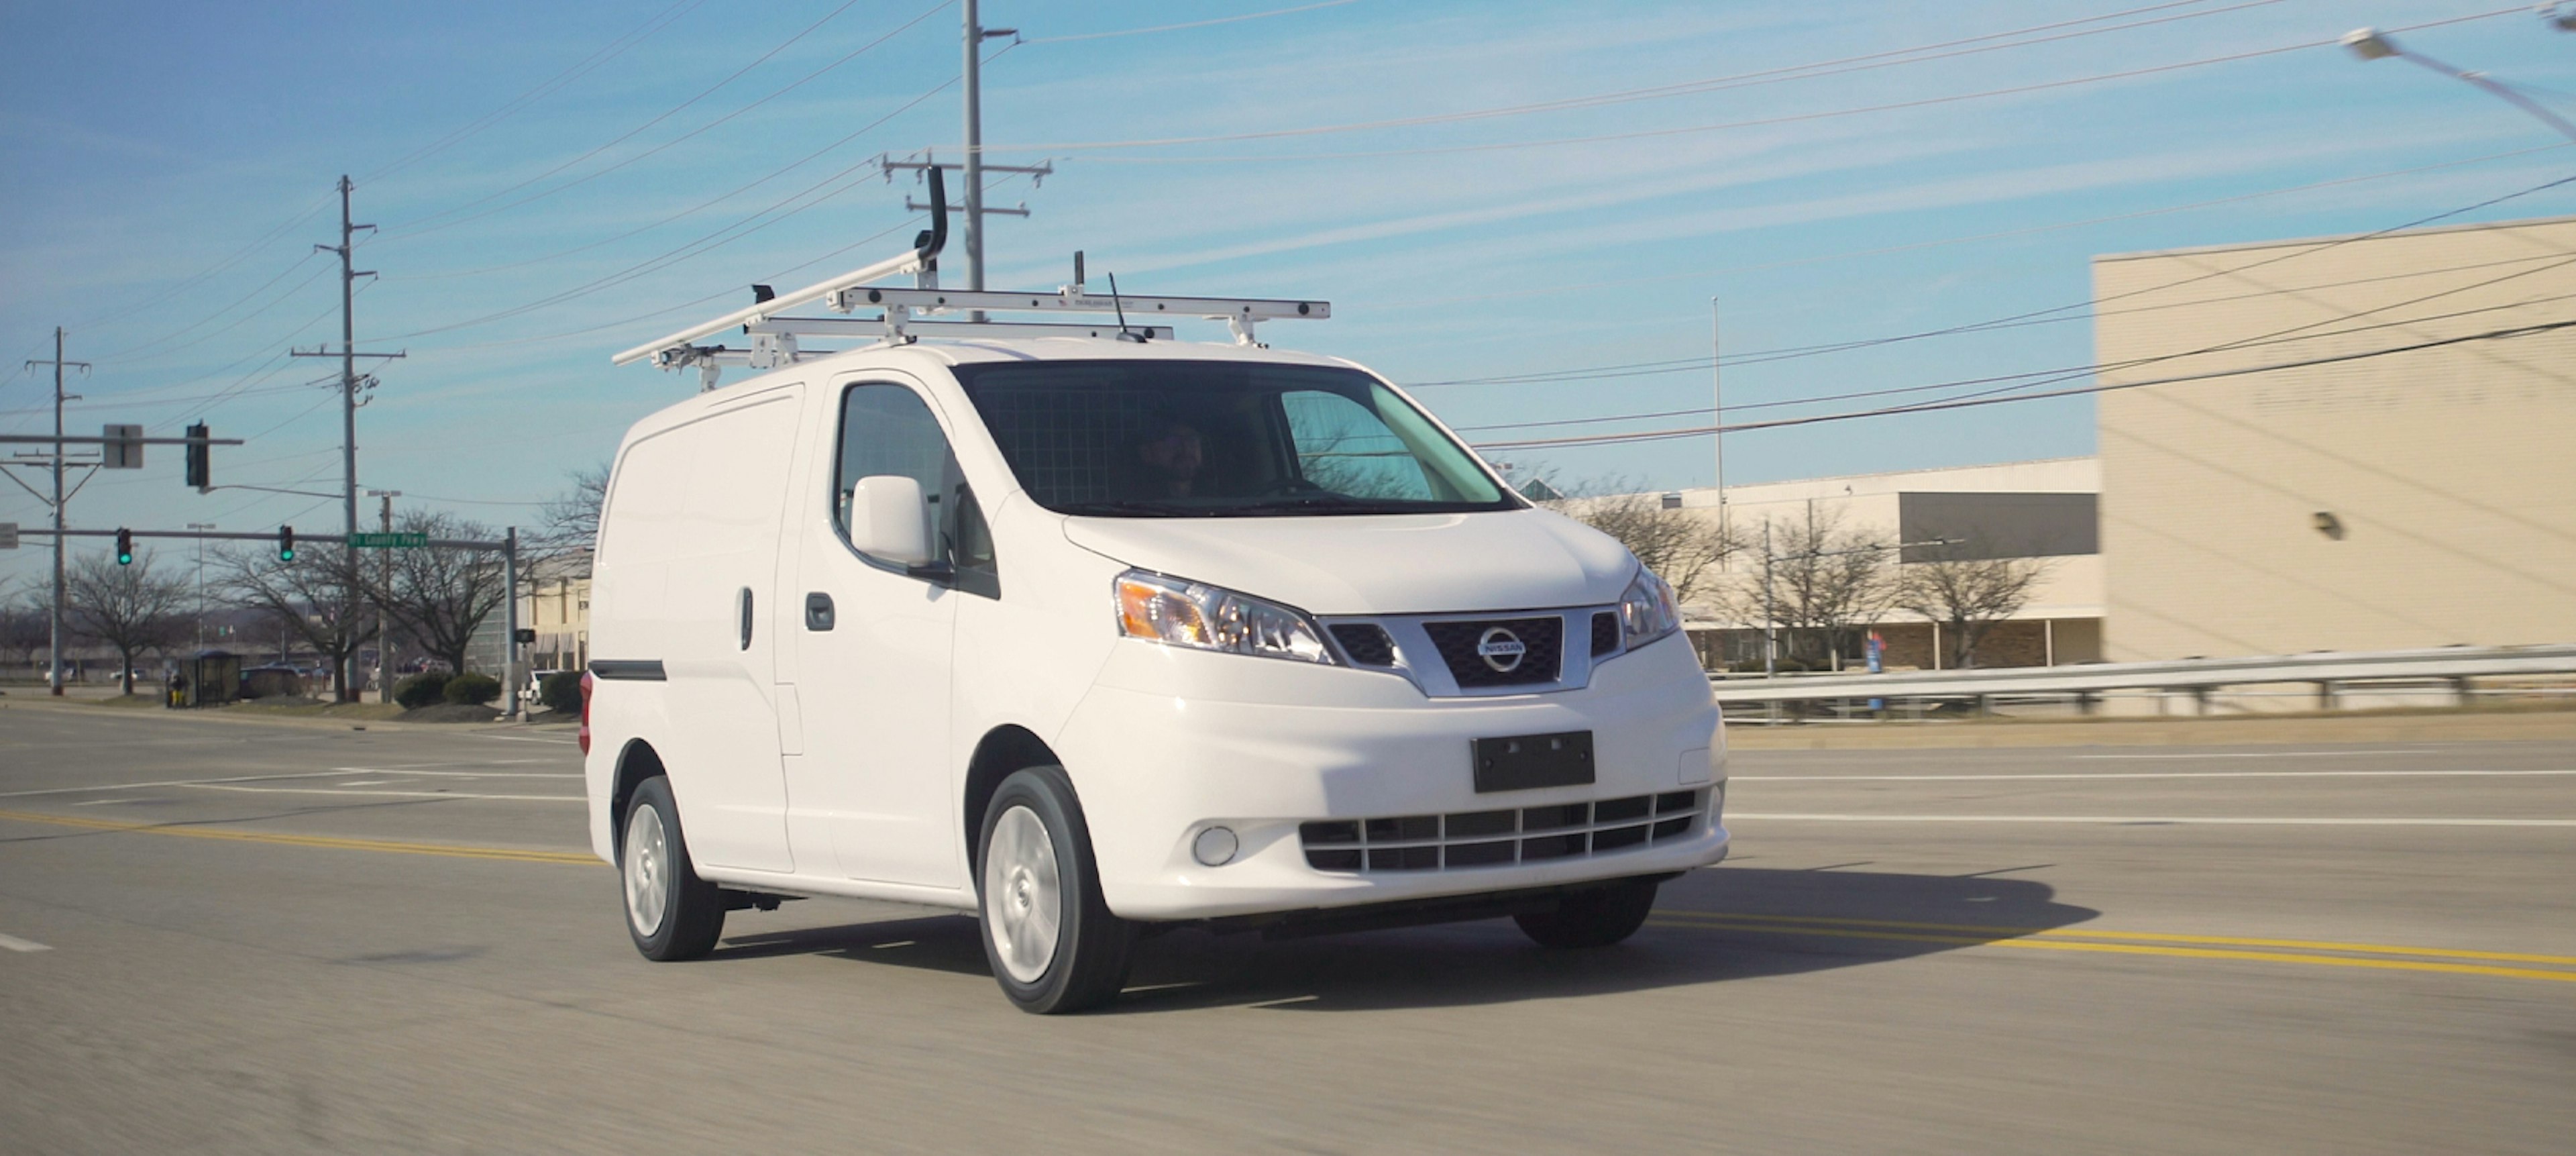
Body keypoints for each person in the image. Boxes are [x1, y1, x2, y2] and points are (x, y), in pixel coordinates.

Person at [1129, 419, 1205, 499]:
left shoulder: (1216, 497)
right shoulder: (1132, 497)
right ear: (1147, 452)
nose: (1186, 449)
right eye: (1173, 441)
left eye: (1192, 440)